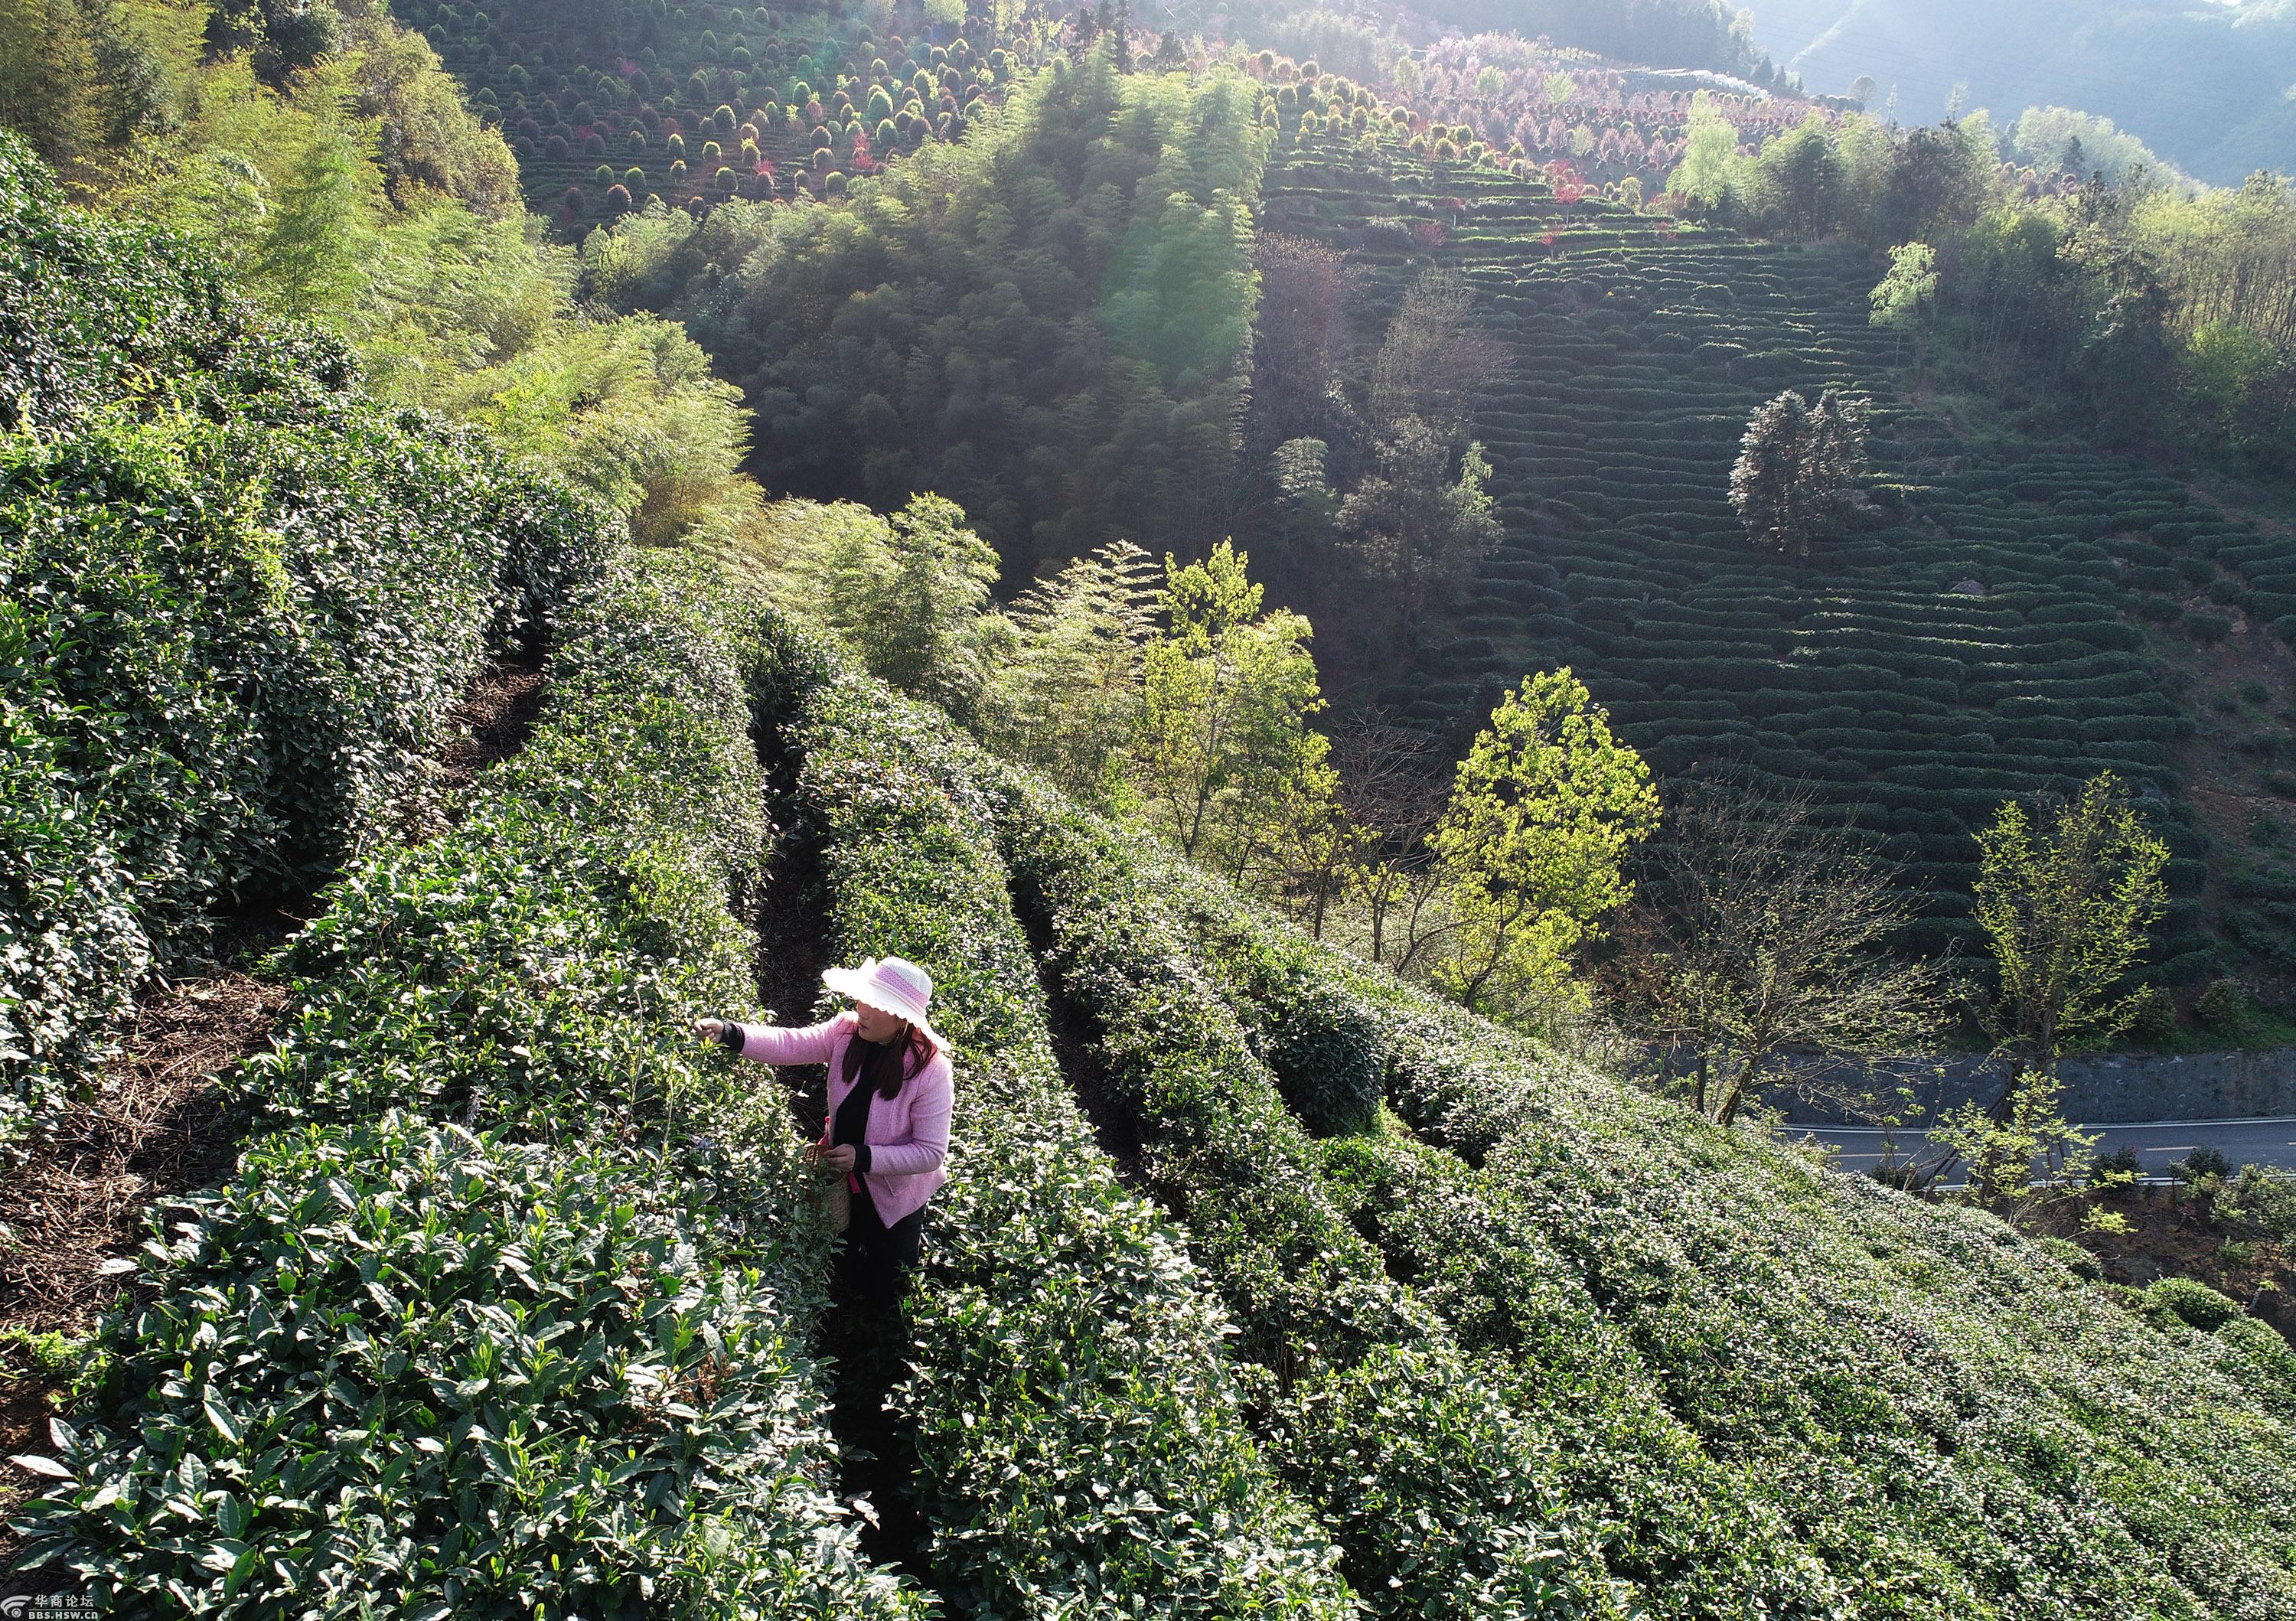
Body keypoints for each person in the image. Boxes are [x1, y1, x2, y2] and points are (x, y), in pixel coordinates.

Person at [693, 956, 954, 1313]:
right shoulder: (845, 1033)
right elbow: (789, 1044)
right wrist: (730, 1033)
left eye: (873, 1005)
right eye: (862, 999)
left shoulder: (930, 1070)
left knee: (890, 1271)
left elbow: (930, 1153)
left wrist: (863, 1157)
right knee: (843, 1245)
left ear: (901, 1020)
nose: (860, 1009)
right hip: (842, 1178)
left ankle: (881, 1330)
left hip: (896, 1195)